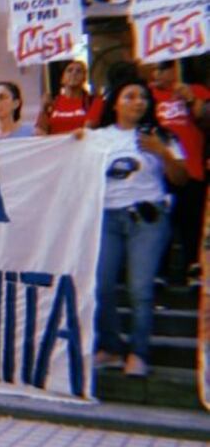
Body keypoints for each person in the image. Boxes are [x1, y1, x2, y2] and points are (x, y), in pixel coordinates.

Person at [93, 78, 188, 378]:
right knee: (101, 284)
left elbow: (181, 179)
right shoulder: (98, 137)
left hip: (147, 219)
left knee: (140, 288)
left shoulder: (162, 136)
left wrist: (162, 152)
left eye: (143, 97)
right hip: (107, 218)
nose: (138, 102)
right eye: (130, 96)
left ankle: (138, 352)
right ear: (116, 103)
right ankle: (110, 347)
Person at [148, 60, 209, 282]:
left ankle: (193, 268)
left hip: (193, 167)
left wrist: (191, 98)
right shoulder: (149, 94)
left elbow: (206, 118)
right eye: (156, 68)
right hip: (161, 169)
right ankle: (161, 271)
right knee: (163, 221)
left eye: (162, 69)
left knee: (191, 222)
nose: (157, 73)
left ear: (175, 70)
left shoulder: (198, 90)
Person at [36, 61, 94, 135]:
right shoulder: (53, 103)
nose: (74, 73)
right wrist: (43, 108)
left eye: (79, 71)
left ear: (84, 79)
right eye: (69, 70)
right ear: (62, 79)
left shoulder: (92, 102)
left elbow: (86, 132)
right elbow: (39, 134)